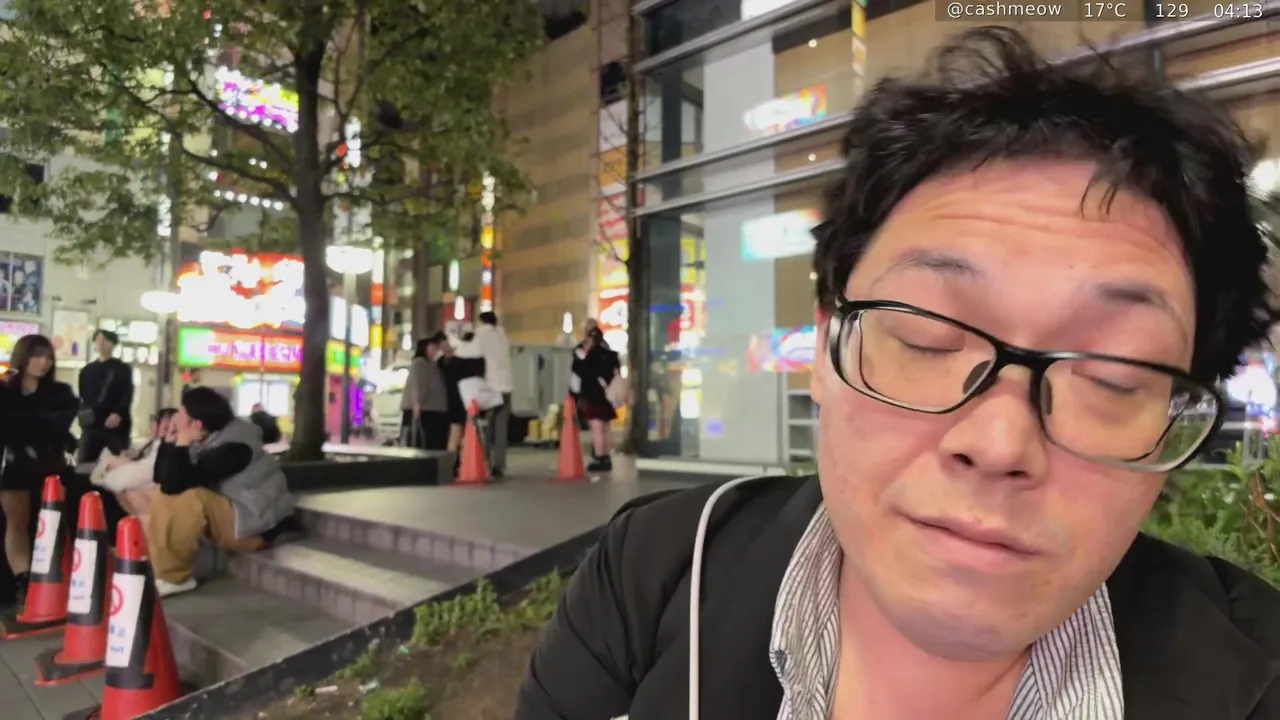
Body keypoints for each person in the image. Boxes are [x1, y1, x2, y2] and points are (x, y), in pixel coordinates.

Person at [516, 27, 1280, 719]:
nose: (1000, 442)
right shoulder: (657, 573)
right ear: (826, 348)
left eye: (1113, 376)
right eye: (927, 336)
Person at [146, 387, 296, 597]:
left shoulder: (235, 447)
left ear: (197, 423)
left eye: (181, 413)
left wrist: (182, 441)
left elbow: (176, 484)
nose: (175, 417)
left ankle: (176, 578)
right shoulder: (207, 438)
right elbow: (162, 478)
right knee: (161, 496)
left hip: (254, 530)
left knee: (190, 498)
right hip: (235, 517)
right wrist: (171, 441)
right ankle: (164, 570)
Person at [0, 334, 77, 604]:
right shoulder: (6, 390)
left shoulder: (61, 392)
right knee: (16, 524)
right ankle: (24, 580)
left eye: (48, 357)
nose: (43, 362)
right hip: (15, 465)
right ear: (23, 357)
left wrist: (23, 424)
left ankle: (55, 578)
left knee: (55, 523)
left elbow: (59, 426)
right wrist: (36, 424)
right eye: (36, 356)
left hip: (52, 465)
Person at [75, 329, 134, 463]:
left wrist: (119, 413)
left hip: (115, 424)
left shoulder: (122, 369)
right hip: (92, 424)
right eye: (98, 340)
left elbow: (127, 393)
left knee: (119, 461)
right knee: (85, 463)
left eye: (105, 340)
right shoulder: (86, 370)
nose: (101, 343)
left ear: (113, 344)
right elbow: (83, 394)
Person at [569, 326, 620, 472]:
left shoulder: (589, 357)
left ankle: (599, 457)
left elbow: (580, 374)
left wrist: (580, 358)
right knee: (606, 428)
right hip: (607, 398)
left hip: (593, 397)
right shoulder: (611, 356)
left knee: (597, 430)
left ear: (590, 339)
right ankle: (607, 457)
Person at [473, 312, 514, 475]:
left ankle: (485, 463)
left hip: (490, 388)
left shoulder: (481, 334)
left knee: (487, 427)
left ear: (482, 321)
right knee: (501, 428)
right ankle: (500, 465)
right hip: (507, 387)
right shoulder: (503, 335)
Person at [401, 337, 450, 450]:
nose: (436, 350)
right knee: (425, 442)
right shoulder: (420, 363)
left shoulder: (432, 363)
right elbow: (417, 383)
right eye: (433, 347)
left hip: (431, 410)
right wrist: (416, 403)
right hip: (425, 410)